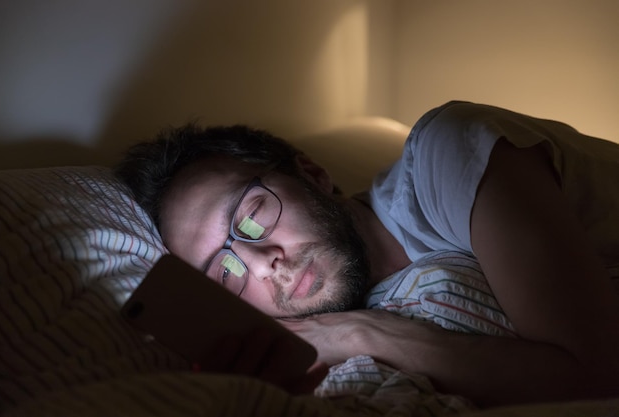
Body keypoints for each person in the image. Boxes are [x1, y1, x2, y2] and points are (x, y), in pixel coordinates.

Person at [116, 100, 619, 407]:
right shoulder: (337, 338)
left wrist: (363, 334)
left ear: (312, 174)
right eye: (225, 271)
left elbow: (597, 380)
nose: (261, 262)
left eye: (251, 216)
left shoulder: (447, 154)